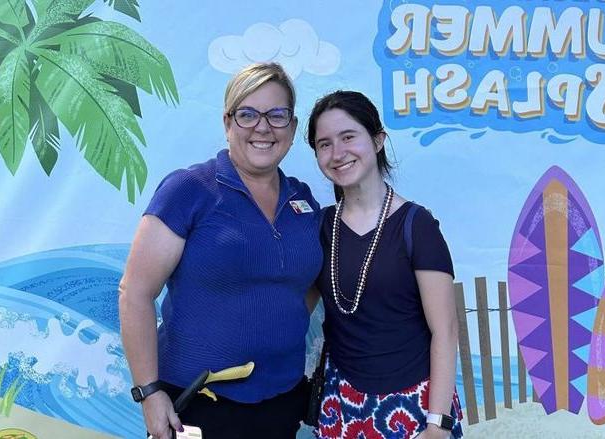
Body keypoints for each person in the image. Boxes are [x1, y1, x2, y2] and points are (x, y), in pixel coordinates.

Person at [119, 62, 323, 439]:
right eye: (248, 114)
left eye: (277, 115)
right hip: (196, 403)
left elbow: (304, 286)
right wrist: (149, 393)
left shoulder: (304, 200)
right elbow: (135, 292)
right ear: (227, 123)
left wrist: (268, 325)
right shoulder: (189, 190)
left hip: (282, 399)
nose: (263, 127)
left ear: (293, 129)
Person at [306, 91, 464, 439]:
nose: (337, 153)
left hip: (415, 405)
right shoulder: (319, 228)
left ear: (378, 140)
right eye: (324, 144)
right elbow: (294, 311)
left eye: (349, 137)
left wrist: (438, 424)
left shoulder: (416, 225)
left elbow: (446, 330)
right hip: (340, 406)